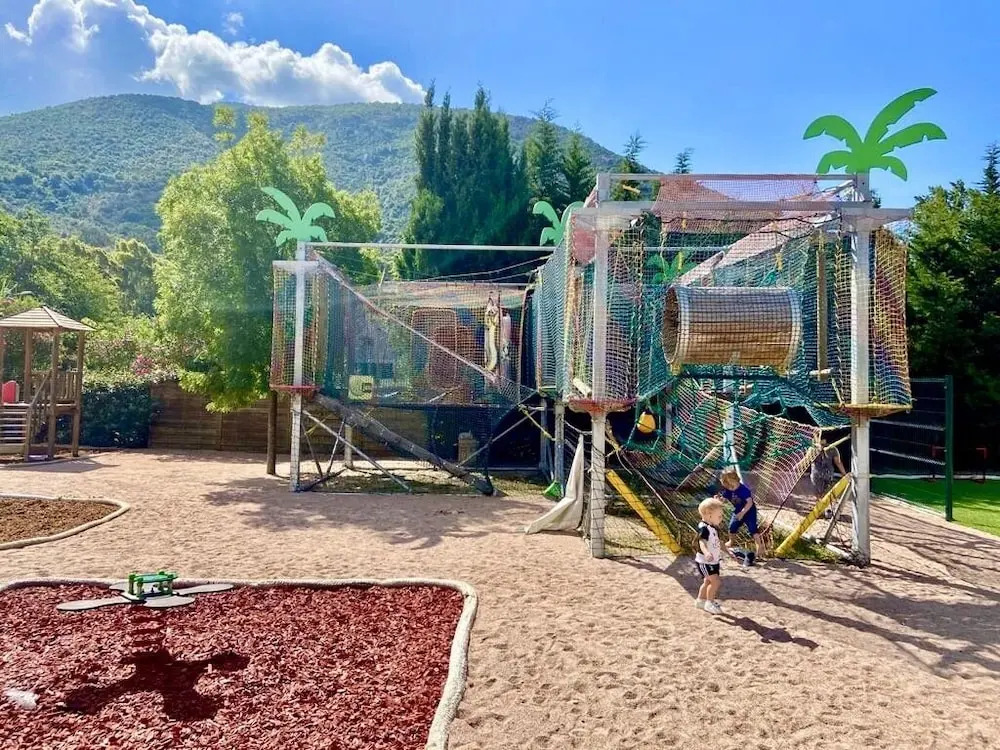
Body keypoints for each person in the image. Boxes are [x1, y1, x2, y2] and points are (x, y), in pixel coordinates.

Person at [718, 467, 765, 566]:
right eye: (728, 485)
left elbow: (749, 502)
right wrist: (719, 500)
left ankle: (760, 547)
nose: (731, 487)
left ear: (736, 479)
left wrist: (743, 513)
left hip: (749, 511)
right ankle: (731, 541)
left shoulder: (743, 489)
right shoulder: (727, 490)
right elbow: (724, 499)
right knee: (732, 526)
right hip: (738, 510)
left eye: (732, 484)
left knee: (753, 528)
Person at [694, 496, 725, 614]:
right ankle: (709, 603)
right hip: (705, 561)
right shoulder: (704, 528)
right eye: (719, 516)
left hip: (713, 561)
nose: (721, 518)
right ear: (709, 514)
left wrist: (729, 552)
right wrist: (706, 552)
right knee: (715, 582)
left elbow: (718, 542)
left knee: (707, 582)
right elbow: (701, 542)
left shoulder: (712, 528)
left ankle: (700, 601)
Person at [812, 438, 847, 517]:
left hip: (821, 474)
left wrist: (844, 474)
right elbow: (838, 462)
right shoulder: (814, 449)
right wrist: (844, 473)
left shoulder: (832, 449)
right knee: (823, 493)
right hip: (823, 474)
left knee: (821, 493)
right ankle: (822, 511)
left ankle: (821, 511)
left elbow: (838, 462)